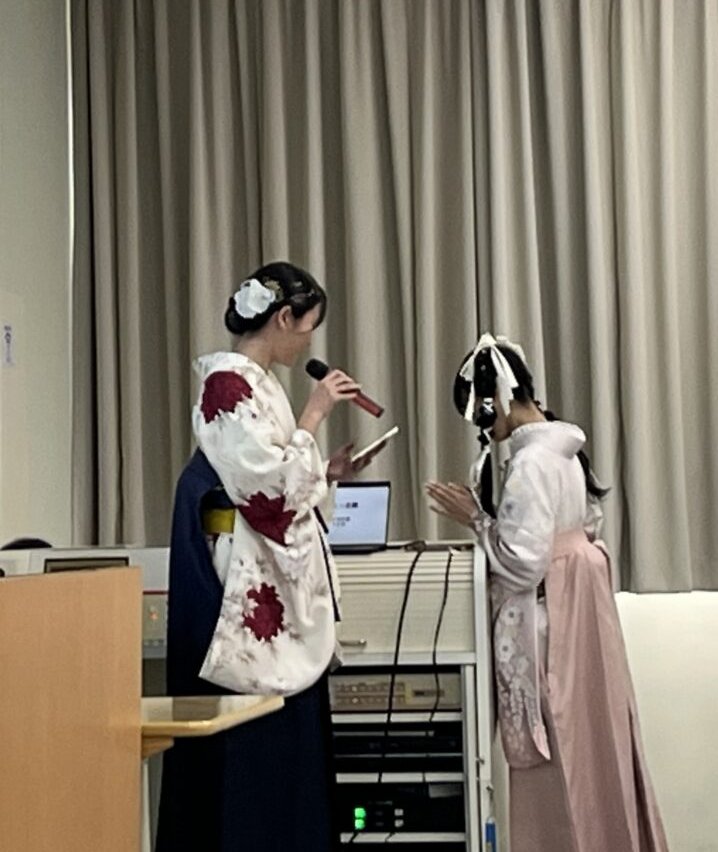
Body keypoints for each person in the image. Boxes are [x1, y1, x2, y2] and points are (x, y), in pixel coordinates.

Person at [157, 261, 383, 852]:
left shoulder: (255, 384)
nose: (309, 340)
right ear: (283, 318)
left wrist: (325, 471)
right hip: (237, 578)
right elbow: (268, 492)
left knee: (283, 748)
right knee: (251, 752)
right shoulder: (226, 386)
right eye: (308, 326)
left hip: (258, 555)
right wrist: (314, 415)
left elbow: (276, 479)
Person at [426, 334, 669, 852]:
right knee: (593, 749)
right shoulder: (565, 453)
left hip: (547, 626)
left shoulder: (531, 464)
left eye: (480, 413)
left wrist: (476, 519)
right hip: (579, 621)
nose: (482, 428)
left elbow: (524, 561)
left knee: (556, 758)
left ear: (495, 399)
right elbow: (585, 526)